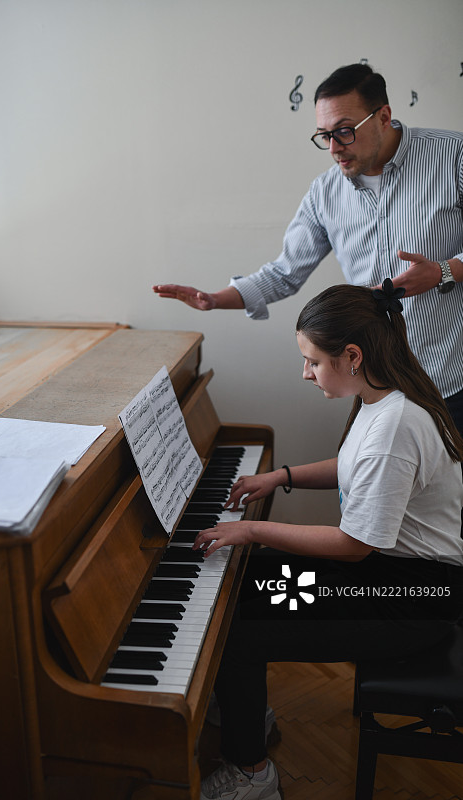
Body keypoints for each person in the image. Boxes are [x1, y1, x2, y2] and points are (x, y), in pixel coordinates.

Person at [193, 279, 463, 800]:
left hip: (410, 599)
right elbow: (352, 466)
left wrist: (249, 529)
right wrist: (282, 477)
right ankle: (247, 710)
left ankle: (251, 773)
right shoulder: (384, 399)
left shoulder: (395, 428)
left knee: (239, 631)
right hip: (388, 575)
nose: (306, 372)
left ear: (353, 356)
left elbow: (353, 545)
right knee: (243, 582)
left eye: (313, 361)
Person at [152, 63, 463, 436]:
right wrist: (216, 299)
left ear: (383, 117)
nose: (333, 148)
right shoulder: (324, 192)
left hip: (450, 379)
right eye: (324, 135)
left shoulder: (452, 156)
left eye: (344, 132)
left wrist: (444, 271)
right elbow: (285, 272)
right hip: (375, 387)